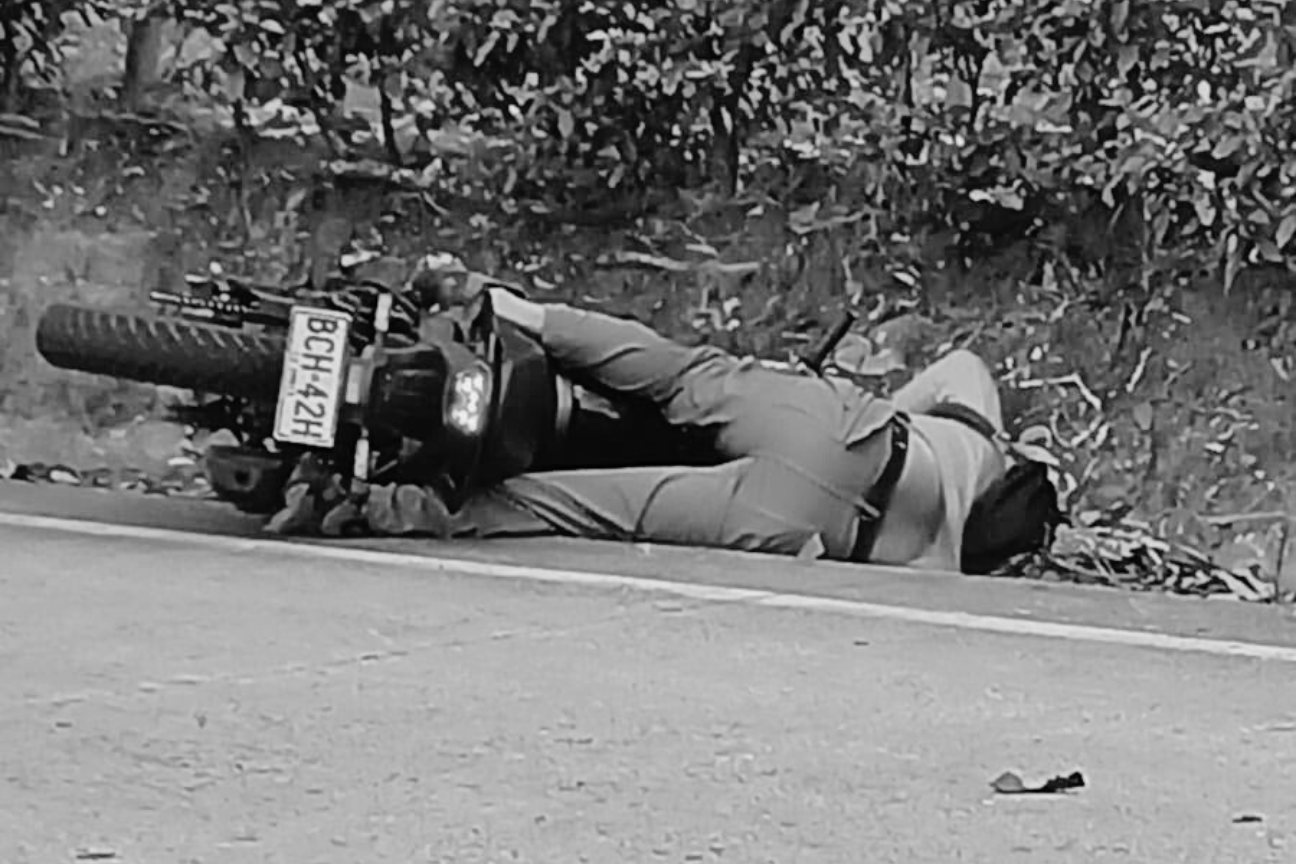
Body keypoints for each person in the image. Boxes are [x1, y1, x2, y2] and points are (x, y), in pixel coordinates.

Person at [266, 258, 1011, 572]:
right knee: (590, 511)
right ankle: (378, 508)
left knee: (680, 370)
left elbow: (962, 368)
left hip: (858, 433)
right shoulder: (950, 570)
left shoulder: (981, 440)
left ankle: (505, 306)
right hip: (813, 521)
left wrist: (878, 413)